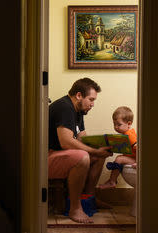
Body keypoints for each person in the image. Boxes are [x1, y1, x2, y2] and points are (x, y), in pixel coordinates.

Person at [48, 78, 112, 223]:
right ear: (78, 95)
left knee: (98, 156)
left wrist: (101, 147)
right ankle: (75, 208)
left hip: (58, 155)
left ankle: (89, 198)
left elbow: (82, 138)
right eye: (91, 99)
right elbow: (67, 142)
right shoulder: (65, 107)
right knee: (83, 156)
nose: (92, 104)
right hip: (46, 157)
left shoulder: (78, 110)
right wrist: (93, 151)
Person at [97, 106, 137, 189]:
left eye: (119, 124)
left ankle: (112, 181)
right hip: (133, 158)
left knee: (119, 159)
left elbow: (139, 148)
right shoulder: (124, 135)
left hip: (137, 159)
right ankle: (112, 181)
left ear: (129, 124)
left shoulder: (129, 135)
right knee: (120, 158)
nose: (116, 127)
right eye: (114, 124)